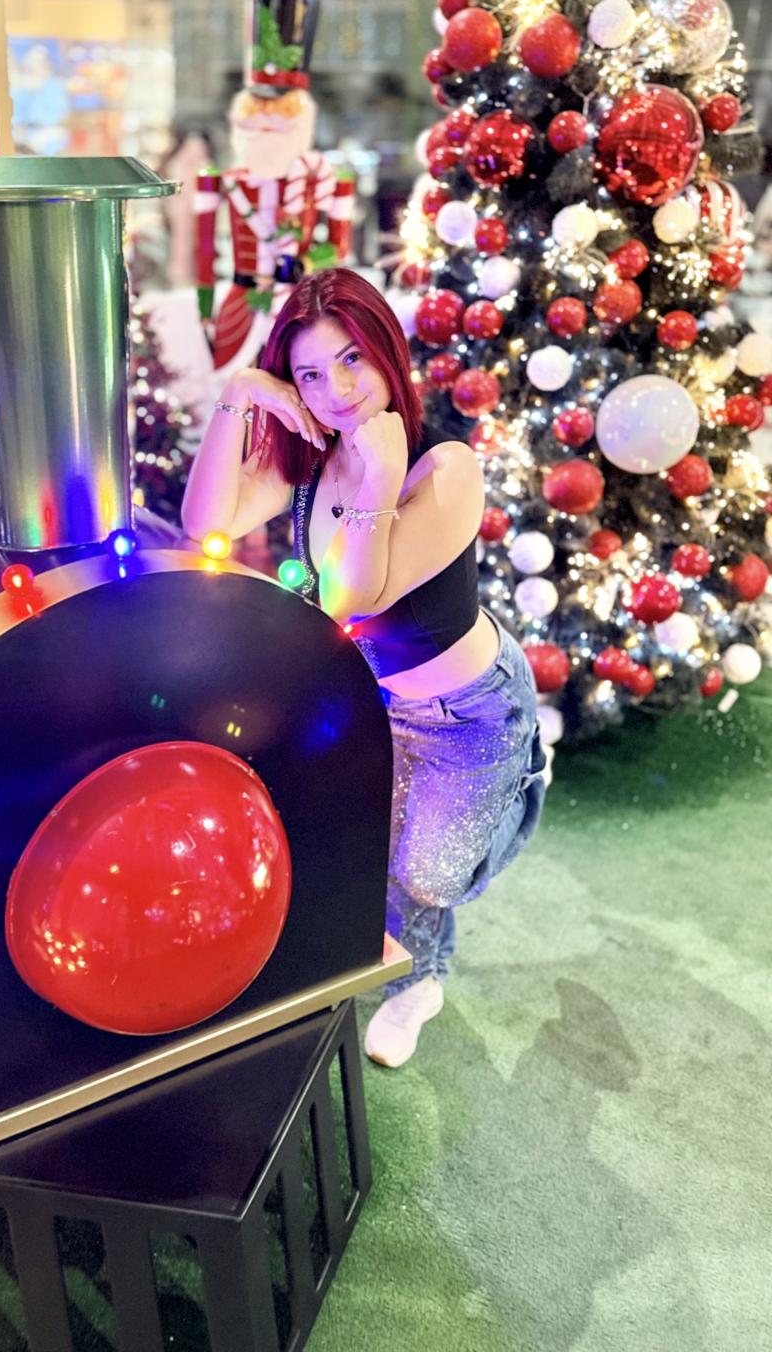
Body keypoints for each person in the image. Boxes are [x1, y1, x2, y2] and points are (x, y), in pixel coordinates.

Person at [181, 268, 546, 1068]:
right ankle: (417, 977)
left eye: (351, 359)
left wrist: (379, 475)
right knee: (370, 850)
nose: (337, 391)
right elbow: (205, 521)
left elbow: (353, 595)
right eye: (310, 373)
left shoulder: (444, 466)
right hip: (370, 701)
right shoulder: (309, 455)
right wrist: (240, 394)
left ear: (387, 349)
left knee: (432, 877)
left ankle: (523, 780)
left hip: (468, 713)